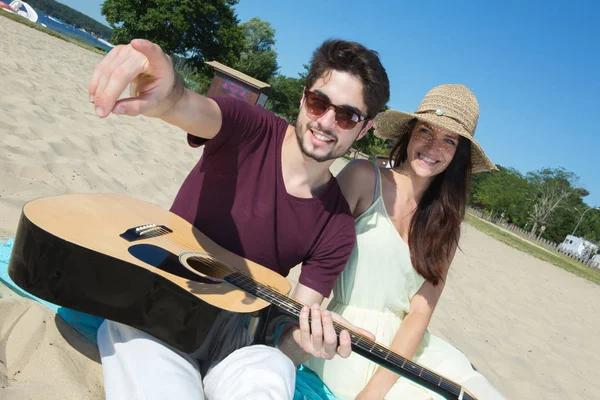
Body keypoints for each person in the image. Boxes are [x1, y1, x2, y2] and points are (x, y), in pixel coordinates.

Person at [88, 37, 390, 400]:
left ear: (365, 127)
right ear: (303, 97)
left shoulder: (337, 227)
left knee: (273, 370)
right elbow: (184, 104)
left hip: (238, 339)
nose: (326, 122)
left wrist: (311, 340)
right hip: (161, 304)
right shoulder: (247, 127)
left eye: (346, 116)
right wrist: (167, 92)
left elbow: (286, 338)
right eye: (318, 102)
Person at [304, 84, 505, 399]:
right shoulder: (363, 178)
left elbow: (419, 314)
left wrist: (375, 392)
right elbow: (310, 249)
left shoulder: (446, 223)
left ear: (457, 154)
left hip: (407, 351)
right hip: (346, 334)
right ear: (409, 133)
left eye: (448, 140)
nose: (432, 146)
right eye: (425, 131)